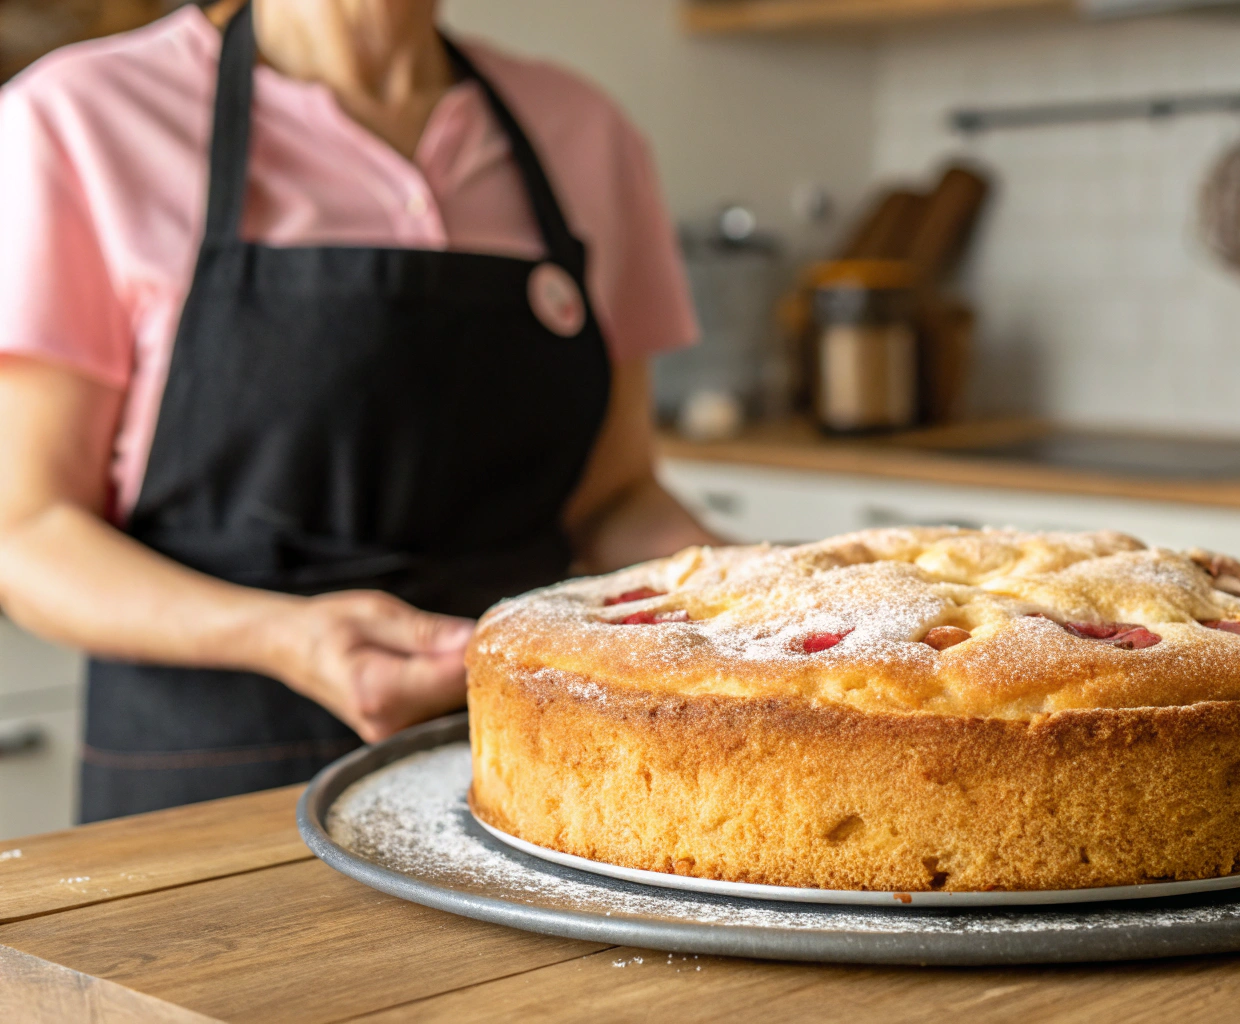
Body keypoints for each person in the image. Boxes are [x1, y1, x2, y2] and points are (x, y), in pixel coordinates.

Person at [0, 0, 717, 821]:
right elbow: (26, 532)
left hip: (526, 784)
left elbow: (616, 500)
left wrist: (785, 593)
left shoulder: (585, 132)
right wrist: (283, 637)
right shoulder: (76, 121)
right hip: (202, 798)